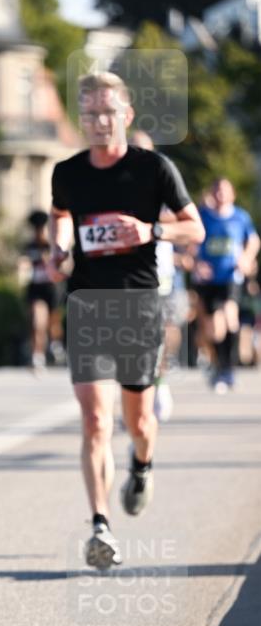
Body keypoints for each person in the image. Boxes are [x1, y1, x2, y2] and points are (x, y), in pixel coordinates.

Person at [48, 72, 204, 569]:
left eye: (107, 112)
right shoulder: (67, 172)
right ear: (83, 117)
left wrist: (150, 228)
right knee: (95, 419)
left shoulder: (154, 169)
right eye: (90, 113)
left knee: (139, 421)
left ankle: (142, 463)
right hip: (88, 305)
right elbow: (59, 214)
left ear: (126, 116)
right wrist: (58, 243)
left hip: (139, 306)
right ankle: (99, 525)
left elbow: (194, 227)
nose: (98, 121)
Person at [128, 131, 192, 422]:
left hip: (161, 273)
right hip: (125, 274)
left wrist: (150, 222)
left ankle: (160, 384)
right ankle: (134, 400)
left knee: (162, 334)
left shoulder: (165, 179)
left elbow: (187, 222)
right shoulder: (114, 181)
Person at [193, 177, 260, 393]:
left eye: (224, 191)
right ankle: (219, 366)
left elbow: (253, 241)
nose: (220, 194)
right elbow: (190, 242)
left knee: (231, 316)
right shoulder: (203, 216)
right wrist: (197, 263)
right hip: (208, 279)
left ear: (232, 194)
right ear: (212, 193)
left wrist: (246, 258)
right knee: (214, 330)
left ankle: (228, 370)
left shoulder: (240, 217)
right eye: (217, 190)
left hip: (231, 277)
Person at [19, 210, 64, 370]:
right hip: (35, 287)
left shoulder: (52, 246)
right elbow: (23, 264)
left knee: (53, 321)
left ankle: (55, 343)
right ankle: (37, 355)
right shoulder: (29, 247)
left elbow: (65, 267)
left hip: (51, 287)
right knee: (37, 321)